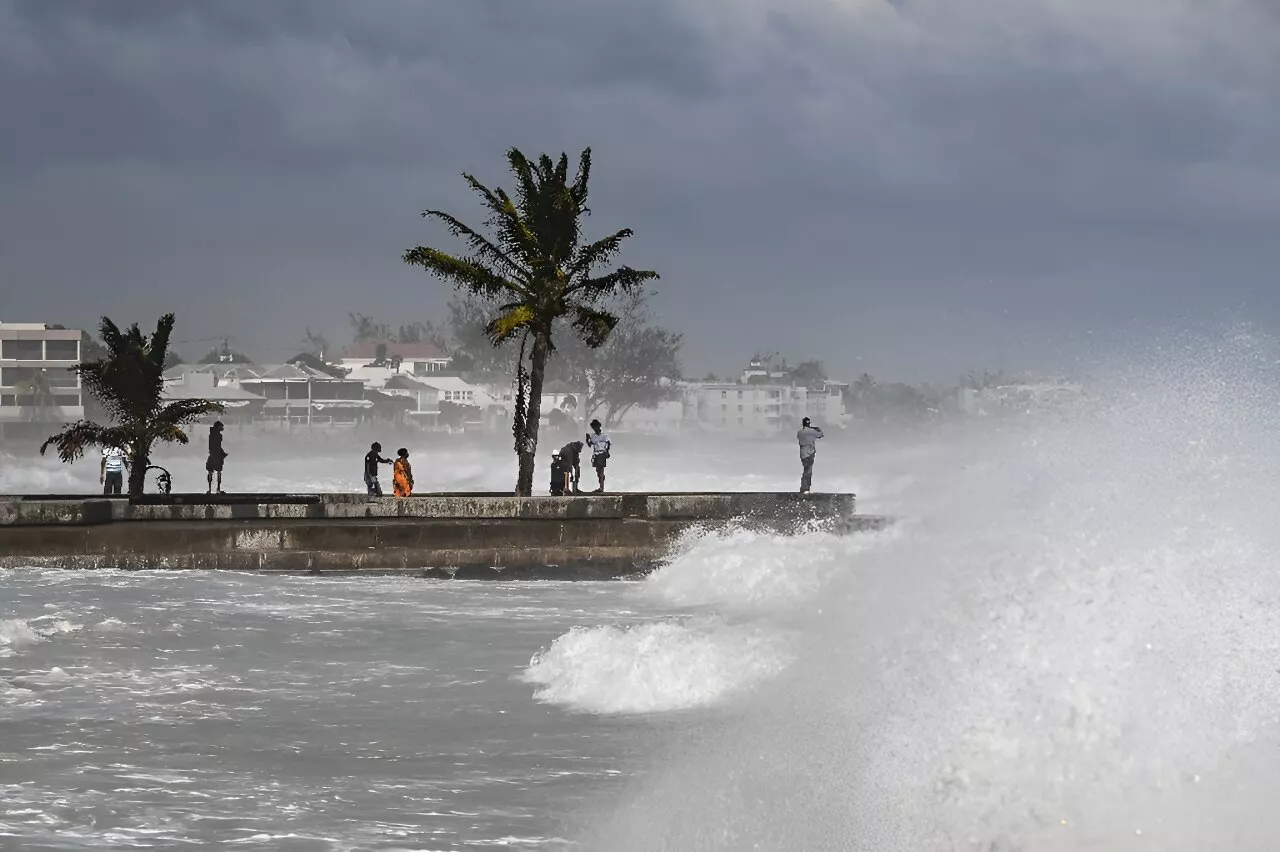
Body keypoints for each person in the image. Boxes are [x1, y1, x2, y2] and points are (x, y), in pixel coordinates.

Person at [797, 416, 824, 493]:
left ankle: (804, 487)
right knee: (808, 471)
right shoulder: (812, 431)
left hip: (802, 454)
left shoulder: (800, 432)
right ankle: (806, 488)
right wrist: (817, 429)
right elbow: (821, 435)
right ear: (809, 424)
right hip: (810, 453)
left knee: (806, 470)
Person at [585, 420, 611, 493]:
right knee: (598, 471)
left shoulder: (605, 435)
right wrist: (587, 439)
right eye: (593, 428)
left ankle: (601, 487)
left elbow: (608, 443)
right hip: (596, 454)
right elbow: (590, 444)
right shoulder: (593, 436)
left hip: (602, 453)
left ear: (598, 426)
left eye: (595, 427)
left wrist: (607, 452)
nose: (594, 429)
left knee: (601, 470)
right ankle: (601, 482)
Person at [206, 421, 228, 494]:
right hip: (216, 456)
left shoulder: (212, 434)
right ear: (218, 427)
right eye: (221, 427)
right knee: (217, 472)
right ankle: (217, 489)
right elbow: (216, 446)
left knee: (210, 472)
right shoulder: (217, 435)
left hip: (213, 455)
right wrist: (222, 453)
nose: (222, 428)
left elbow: (213, 446)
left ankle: (210, 489)